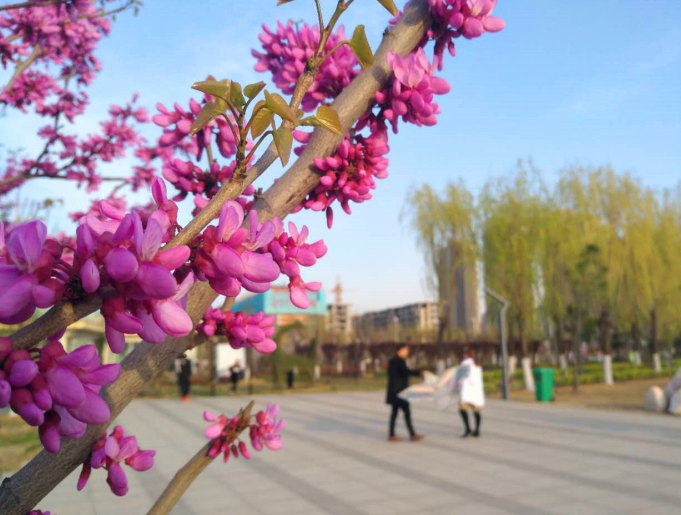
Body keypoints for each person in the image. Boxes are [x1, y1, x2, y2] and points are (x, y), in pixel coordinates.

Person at [386, 343, 424, 442]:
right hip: (400, 392)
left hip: (395, 392)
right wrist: (419, 372)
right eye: (406, 350)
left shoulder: (393, 360)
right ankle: (412, 434)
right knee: (406, 413)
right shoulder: (399, 361)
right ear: (401, 350)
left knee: (395, 413)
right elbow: (406, 371)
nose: (407, 352)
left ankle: (392, 434)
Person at [456, 348, 485, 437]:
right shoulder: (477, 365)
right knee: (476, 411)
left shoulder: (464, 364)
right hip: (476, 392)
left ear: (466, 355)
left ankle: (468, 429)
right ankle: (477, 430)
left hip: (466, 392)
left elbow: (458, 377)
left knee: (462, 410)